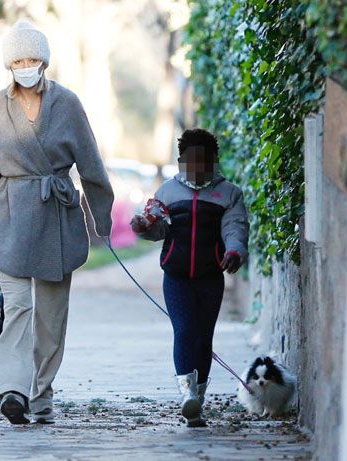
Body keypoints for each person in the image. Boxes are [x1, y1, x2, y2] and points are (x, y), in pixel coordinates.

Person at [0, 20, 113, 425]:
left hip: (56, 218)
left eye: (32, 59)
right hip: (11, 218)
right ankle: (12, 392)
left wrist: (102, 216)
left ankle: (41, 394)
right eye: (18, 60)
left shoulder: (67, 104)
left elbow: (90, 163)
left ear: (44, 61)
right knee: (15, 309)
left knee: (50, 319)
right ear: (8, 64)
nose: (26, 66)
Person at [130, 128, 249, 427]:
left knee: (203, 337)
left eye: (203, 160)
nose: (196, 167)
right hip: (177, 276)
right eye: (190, 161)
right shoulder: (167, 192)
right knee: (185, 331)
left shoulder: (229, 194)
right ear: (181, 161)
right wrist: (143, 227)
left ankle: (199, 397)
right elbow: (158, 230)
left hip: (211, 276)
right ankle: (187, 396)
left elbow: (235, 227)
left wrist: (235, 251)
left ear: (214, 161)